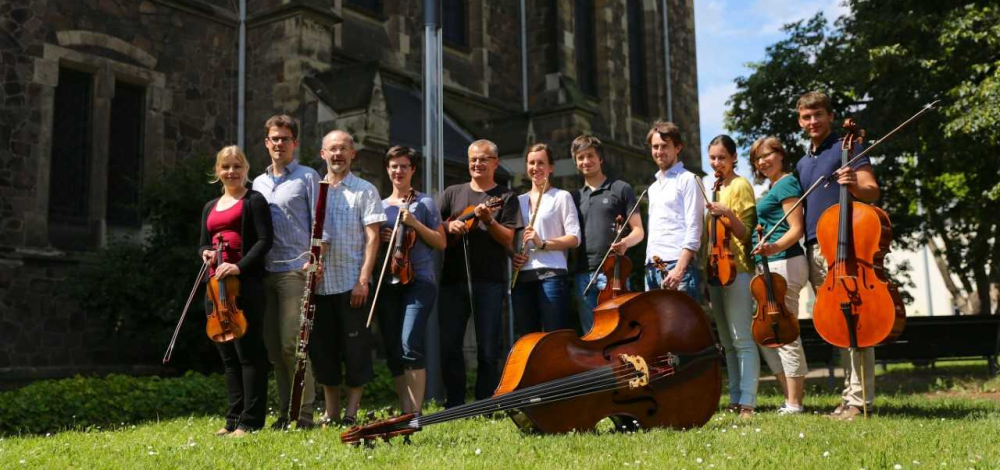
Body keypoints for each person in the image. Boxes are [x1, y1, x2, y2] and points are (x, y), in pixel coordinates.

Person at [795, 91, 881, 420]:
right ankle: (848, 397)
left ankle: (861, 400)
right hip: (815, 246)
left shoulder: (846, 147)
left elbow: (872, 190)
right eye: (806, 116)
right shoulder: (803, 163)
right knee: (838, 327)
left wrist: (855, 186)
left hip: (845, 247)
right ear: (800, 121)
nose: (812, 121)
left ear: (830, 116)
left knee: (856, 325)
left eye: (817, 114)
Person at [309, 130, 386, 427]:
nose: (338, 154)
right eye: (332, 149)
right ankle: (331, 413)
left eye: (343, 148)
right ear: (323, 154)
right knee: (324, 351)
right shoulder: (315, 190)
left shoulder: (365, 190)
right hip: (320, 287)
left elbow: (373, 239)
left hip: (352, 285)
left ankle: (352, 412)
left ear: (353, 154)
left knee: (356, 352)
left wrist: (363, 280)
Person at [438, 139, 522, 408]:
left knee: (488, 348)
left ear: (495, 163)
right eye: (473, 159)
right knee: (450, 345)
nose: (477, 164)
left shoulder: (506, 197)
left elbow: (508, 237)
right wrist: (449, 227)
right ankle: (455, 402)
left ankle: (484, 404)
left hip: (489, 282)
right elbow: (435, 226)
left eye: (484, 159)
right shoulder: (452, 192)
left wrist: (488, 220)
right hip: (452, 280)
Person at [251, 115, 320, 429]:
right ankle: (284, 413)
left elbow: (321, 222)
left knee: (293, 343)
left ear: (295, 143)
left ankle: (303, 412)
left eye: (285, 138)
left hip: (295, 269)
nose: (279, 144)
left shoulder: (308, 177)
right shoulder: (258, 183)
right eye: (274, 139)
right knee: (274, 349)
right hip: (265, 272)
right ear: (267, 143)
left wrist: (314, 259)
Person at [199, 145, 273, 437]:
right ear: (217, 171)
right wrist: (206, 254)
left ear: (246, 169)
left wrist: (239, 266)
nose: (231, 172)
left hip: (245, 284)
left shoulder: (254, 200)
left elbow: (265, 241)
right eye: (225, 167)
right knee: (228, 355)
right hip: (216, 288)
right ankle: (232, 419)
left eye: (236, 166)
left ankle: (250, 421)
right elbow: (203, 242)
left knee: (249, 353)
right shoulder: (209, 206)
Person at [375, 146, 447, 416]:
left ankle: (416, 414)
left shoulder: (424, 203)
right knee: (393, 348)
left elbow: (440, 242)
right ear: (387, 169)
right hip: (390, 279)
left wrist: (415, 223)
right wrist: (384, 239)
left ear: (413, 170)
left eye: (404, 166)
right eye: (394, 166)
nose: (398, 171)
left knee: (409, 343)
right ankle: (405, 411)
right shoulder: (380, 206)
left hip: (419, 280)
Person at [749, 136, 810, 415]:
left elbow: (796, 228)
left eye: (767, 155)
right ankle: (789, 398)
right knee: (767, 336)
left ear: (781, 154)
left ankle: (795, 403)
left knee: (784, 334)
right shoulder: (773, 186)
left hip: (785, 261)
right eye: (757, 158)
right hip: (771, 263)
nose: (762, 161)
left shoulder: (786, 183)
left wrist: (773, 246)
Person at [701, 135, 759, 418]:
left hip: (738, 269)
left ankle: (748, 401)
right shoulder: (711, 188)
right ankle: (735, 398)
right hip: (714, 270)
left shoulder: (740, 185)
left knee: (742, 339)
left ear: (734, 157)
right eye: (712, 158)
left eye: (722, 157)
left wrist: (726, 212)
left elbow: (745, 234)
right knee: (726, 341)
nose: (716, 163)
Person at [569, 135, 644, 334]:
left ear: (600, 158)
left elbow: (638, 231)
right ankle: (600, 368)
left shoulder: (620, 188)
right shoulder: (574, 197)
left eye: (591, 156)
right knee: (590, 334)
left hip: (613, 274)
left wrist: (625, 243)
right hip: (583, 274)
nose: (586, 161)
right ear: (576, 163)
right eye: (581, 157)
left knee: (617, 331)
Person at [510, 143, 580, 338]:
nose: (536, 167)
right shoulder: (518, 200)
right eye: (531, 163)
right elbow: (512, 238)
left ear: (551, 167)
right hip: (523, 277)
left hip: (552, 274)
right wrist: (513, 256)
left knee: (554, 336)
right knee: (527, 338)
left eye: (541, 163)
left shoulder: (561, 197)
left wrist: (543, 243)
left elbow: (574, 238)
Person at [644, 121, 704, 300]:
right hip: (652, 267)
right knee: (656, 328)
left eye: (665, 146)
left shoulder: (689, 179)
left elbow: (694, 228)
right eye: (655, 147)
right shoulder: (653, 187)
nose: (659, 151)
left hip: (677, 267)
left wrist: (680, 269)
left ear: (678, 148)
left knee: (682, 328)